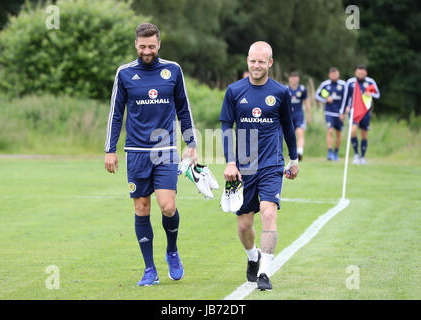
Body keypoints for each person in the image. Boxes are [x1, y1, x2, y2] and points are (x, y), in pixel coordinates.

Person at [104, 23, 197, 286]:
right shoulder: (124, 73)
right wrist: (110, 149)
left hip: (165, 150)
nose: (147, 51)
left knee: (168, 207)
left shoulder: (173, 70)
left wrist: (191, 142)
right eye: (143, 46)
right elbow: (115, 114)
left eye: (152, 46)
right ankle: (149, 270)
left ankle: (172, 251)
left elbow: (184, 109)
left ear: (159, 45)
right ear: (136, 45)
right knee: (141, 208)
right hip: (135, 152)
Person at [220, 41, 299, 291]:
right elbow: (225, 128)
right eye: (253, 61)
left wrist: (294, 159)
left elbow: (288, 127)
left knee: (268, 212)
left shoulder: (280, 92)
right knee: (244, 225)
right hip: (243, 168)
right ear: (247, 60)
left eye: (261, 61)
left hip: (271, 164)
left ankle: (265, 271)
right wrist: (230, 162)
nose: (256, 65)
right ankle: (253, 256)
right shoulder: (234, 91)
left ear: (270, 63)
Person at [340, 64, 380, 165]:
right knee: (353, 131)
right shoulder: (350, 82)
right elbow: (345, 97)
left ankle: (362, 157)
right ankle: (356, 155)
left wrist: (371, 94)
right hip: (354, 111)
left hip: (366, 112)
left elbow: (377, 94)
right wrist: (343, 111)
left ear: (366, 73)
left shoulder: (370, 82)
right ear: (355, 72)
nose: (360, 75)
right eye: (358, 73)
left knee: (364, 134)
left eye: (362, 73)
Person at [315, 67, 346, 161]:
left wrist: (344, 111)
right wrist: (325, 99)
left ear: (339, 75)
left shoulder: (343, 85)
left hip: (340, 113)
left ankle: (336, 153)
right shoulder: (325, 84)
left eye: (336, 74)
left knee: (338, 133)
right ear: (329, 75)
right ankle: (329, 153)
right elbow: (317, 95)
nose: (334, 76)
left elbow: (347, 98)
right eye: (332, 74)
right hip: (329, 113)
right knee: (330, 131)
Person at [287, 72, 310, 160]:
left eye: (295, 78)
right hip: (288, 116)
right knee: (289, 135)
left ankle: (300, 152)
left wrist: (309, 116)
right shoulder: (286, 89)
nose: (294, 80)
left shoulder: (302, 89)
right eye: (292, 78)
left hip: (299, 115)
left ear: (298, 79)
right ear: (289, 79)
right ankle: (292, 152)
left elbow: (306, 102)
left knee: (300, 132)